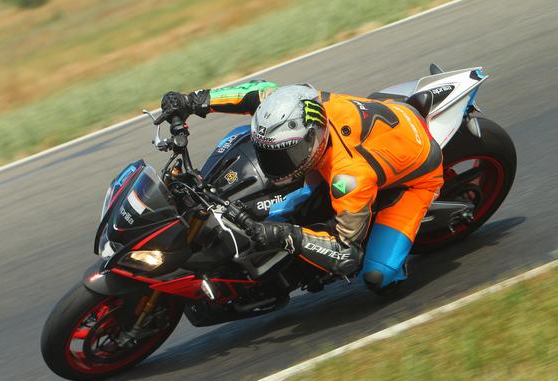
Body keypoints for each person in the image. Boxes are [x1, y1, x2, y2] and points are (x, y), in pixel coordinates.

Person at [155, 81, 443, 292]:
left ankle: (391, 247)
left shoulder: (349, 178)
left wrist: (286, 235)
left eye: (287, 154)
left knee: (377, 277)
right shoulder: (300, 101)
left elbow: (346, 254)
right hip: (380, 125)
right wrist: (193, 101)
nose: (276, 163)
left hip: (417, 176)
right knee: (285, 207)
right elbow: (256, 92)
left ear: (312, 140)